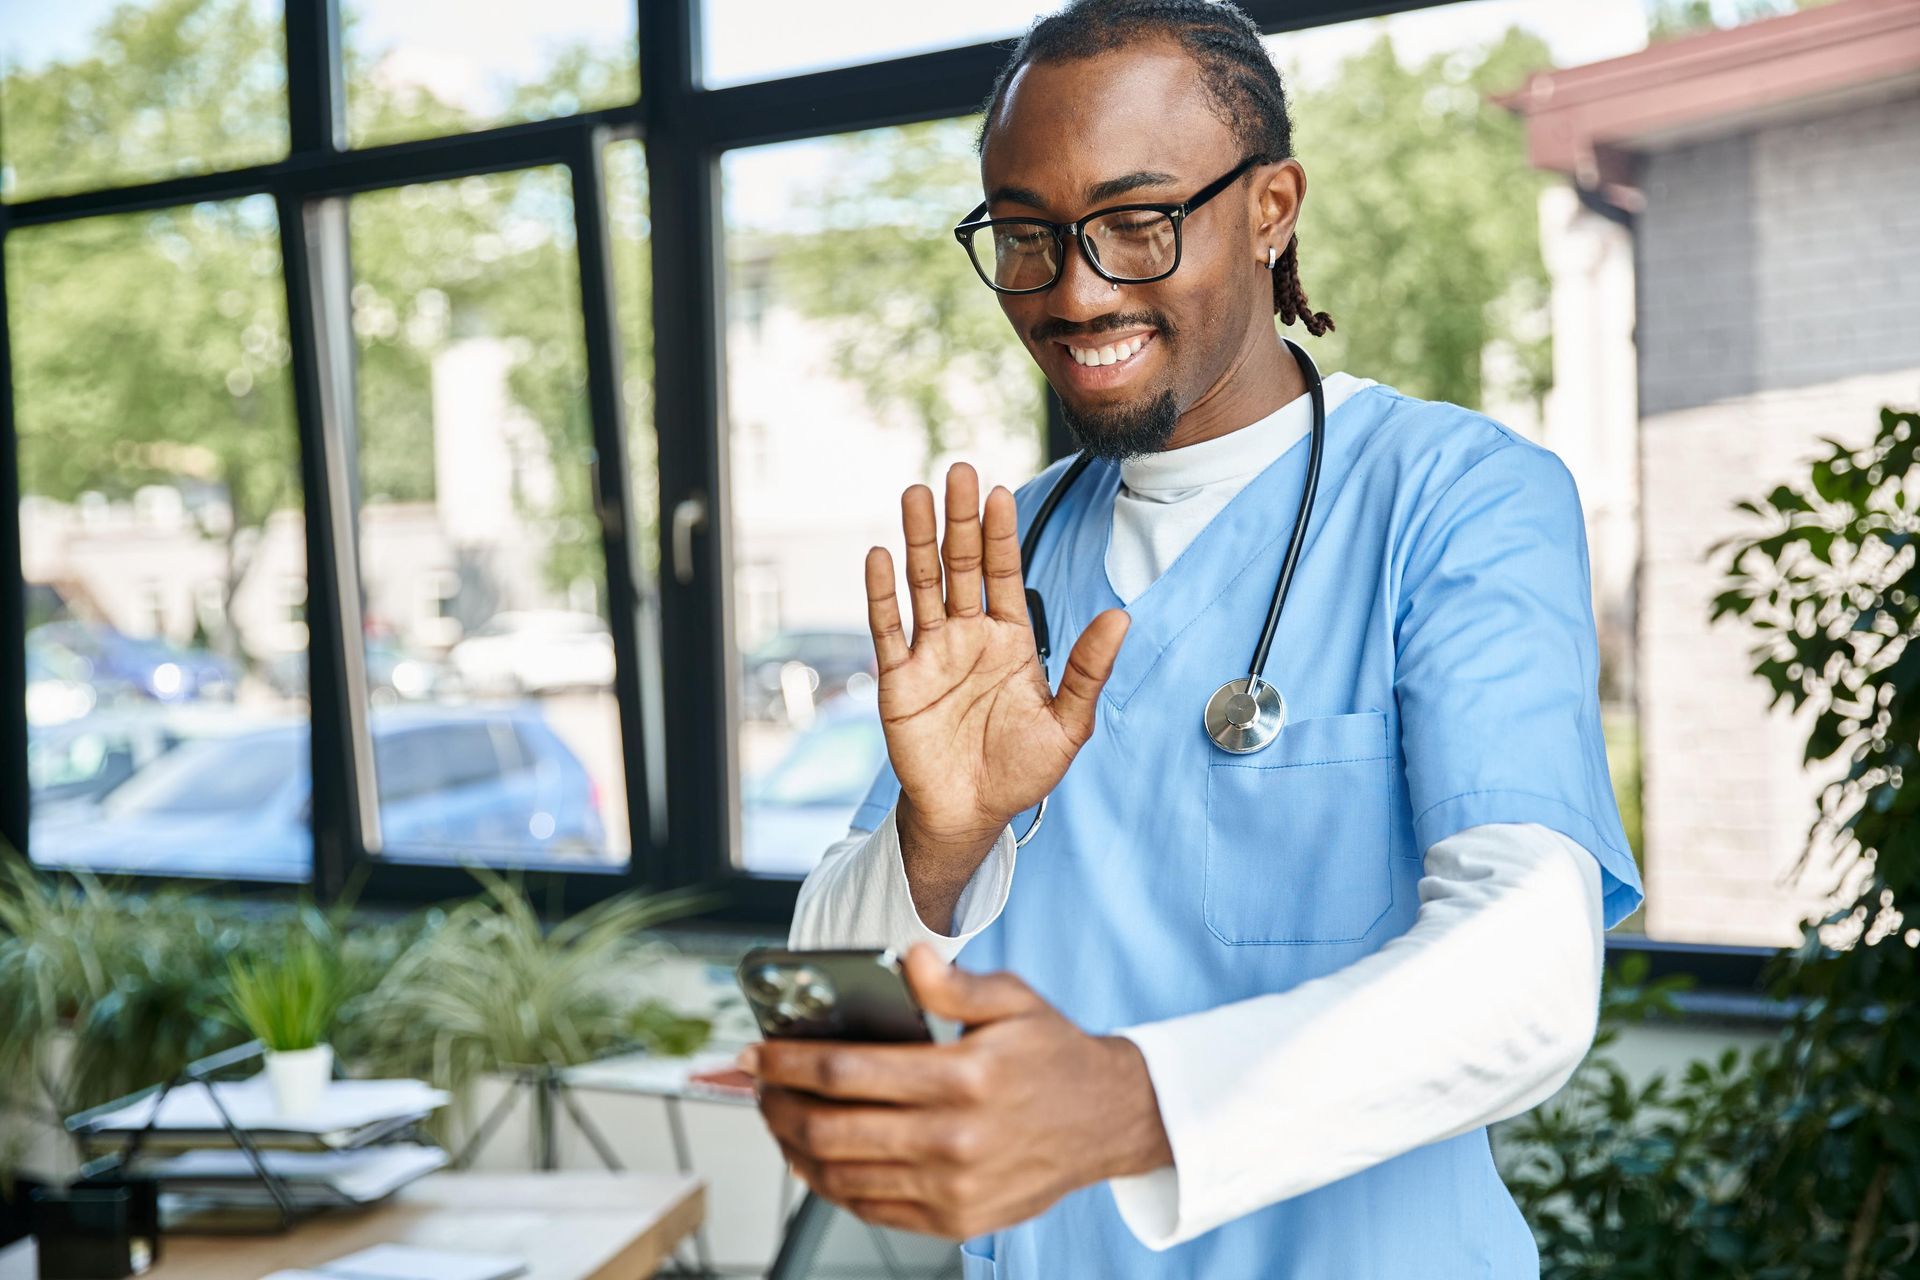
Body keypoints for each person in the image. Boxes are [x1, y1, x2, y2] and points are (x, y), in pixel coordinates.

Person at [738, 2, 1644, 1275]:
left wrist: (1125, 1102)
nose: (1075, 288)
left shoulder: (1454, 496)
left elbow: (1530, 966)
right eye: (1026, 235)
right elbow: (835, 993)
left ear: (1272, 207)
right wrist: (935, 846)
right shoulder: (1009, 555)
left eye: (1137, 221)